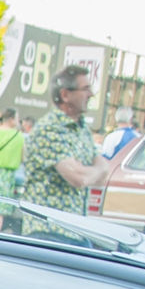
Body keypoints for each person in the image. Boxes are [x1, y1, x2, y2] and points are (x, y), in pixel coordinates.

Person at [22, 64, 111, 217]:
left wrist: (90, 171)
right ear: (65, 95)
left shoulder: (82, 129)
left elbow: (103, 173)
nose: (91, 94)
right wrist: (92, 171)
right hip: (48, 228)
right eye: (85, 89)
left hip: (75, 228)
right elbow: (78, 178)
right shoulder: (49, 129)